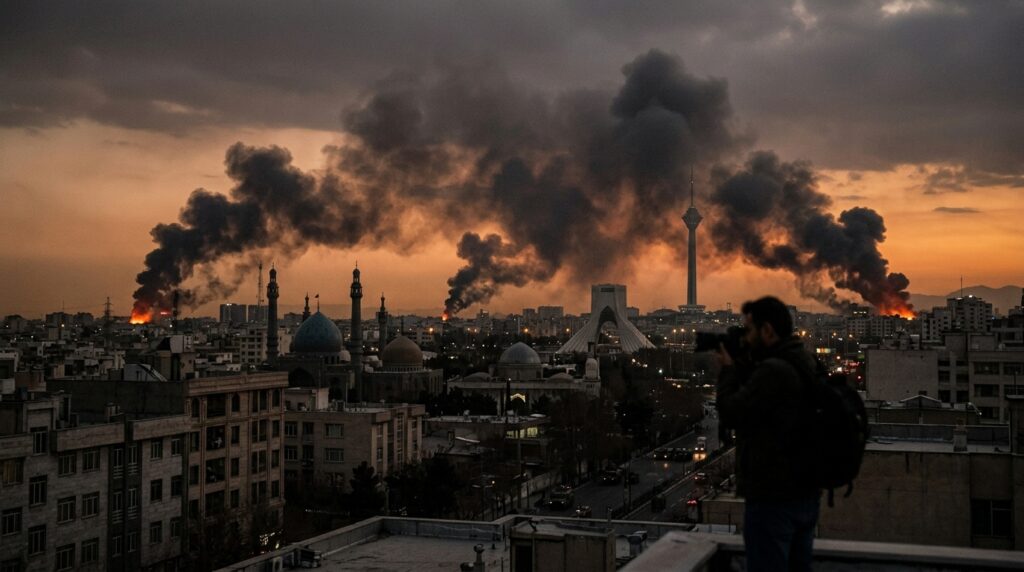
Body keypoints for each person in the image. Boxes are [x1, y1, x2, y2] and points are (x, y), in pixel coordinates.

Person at [716, 296, 820, 572]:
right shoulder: (802, 360)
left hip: (774, 498)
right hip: (805, 494)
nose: (746, 338)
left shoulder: (774, 371)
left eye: (750, 331)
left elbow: (731, 412)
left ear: (768, 331)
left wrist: (728, 369)